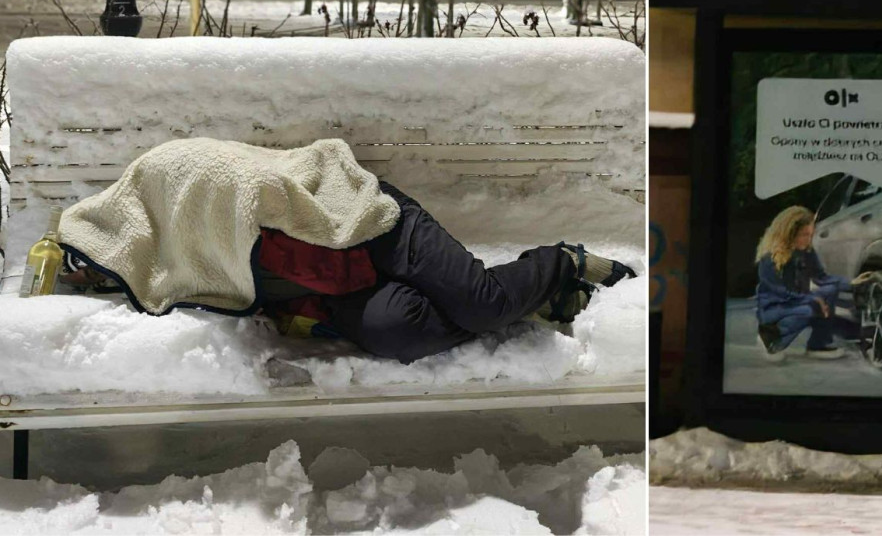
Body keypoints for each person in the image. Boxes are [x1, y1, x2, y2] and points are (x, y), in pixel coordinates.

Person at [57, 141, 635, 365]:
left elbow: (227, 166)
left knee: (479, 304)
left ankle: (560, 263)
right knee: (395, 334)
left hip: (369, 221)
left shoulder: (201, 186)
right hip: (339, 282)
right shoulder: (188, 261)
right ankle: (527, 302)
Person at [754, 205, 871, 361]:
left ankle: (818, 344)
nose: (809, 239)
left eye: (810, 234)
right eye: (804, 235)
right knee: (808, 310)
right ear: (788, 234)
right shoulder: (770, 258)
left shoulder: (806, 251)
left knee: (829, 290)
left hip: (799, 301)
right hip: (776, 308)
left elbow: (822, 278)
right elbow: (782, 294)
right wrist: (813, 300)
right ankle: (770, 338)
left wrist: (852, 283)